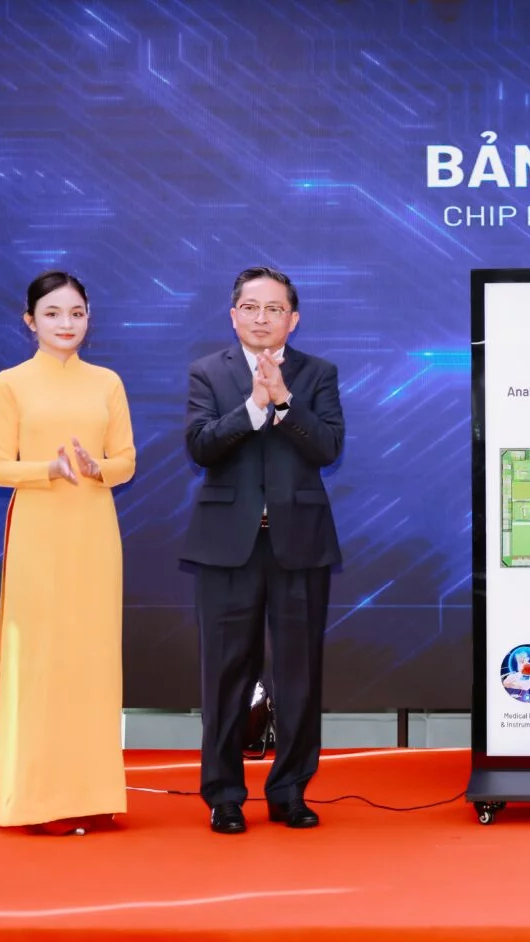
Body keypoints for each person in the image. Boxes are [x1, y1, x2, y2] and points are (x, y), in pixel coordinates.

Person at [183, 267, 345, 835]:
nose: (261, 318)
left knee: (299, 674)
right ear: (233, 315)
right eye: (251, 307)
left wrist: (284, 401)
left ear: (292, 319)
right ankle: (224, 795)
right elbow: (201, 447)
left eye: (274, 309)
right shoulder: (208, 372)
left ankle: (290, 791)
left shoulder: (318, 373)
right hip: (227, 546)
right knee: (226, 674)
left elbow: (328, 447)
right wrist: (253, 407)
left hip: (299, 543)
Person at [0, 271, 136, 835]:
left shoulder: (107, 382)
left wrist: (99, 468)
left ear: (89, 318)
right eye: (52, 313)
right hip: (38, 532)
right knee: (41, 663)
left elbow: (126, 461)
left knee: (93, 661)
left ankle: (92, 794)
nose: (66, 324)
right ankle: (38, 799)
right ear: (30, 321)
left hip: (94, 531)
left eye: (76, 313)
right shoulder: (10, 383)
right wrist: (47, 468)